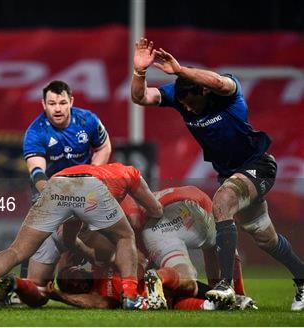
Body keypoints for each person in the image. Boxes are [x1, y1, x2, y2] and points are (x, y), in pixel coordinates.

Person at [130, 37, 304, 310]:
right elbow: (140, 97)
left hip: (258, 166)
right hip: (231, 173)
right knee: (265, 238)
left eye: (192, 103)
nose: (187, 108)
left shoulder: (228, 93)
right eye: (183, 104)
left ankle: (224, 286)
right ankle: (302, 278)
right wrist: (140, 72)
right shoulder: (180, 95)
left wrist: (180, 70)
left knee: (222, 200)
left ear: (204, 92)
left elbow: (218, 81)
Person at [0, 162, 163, 310]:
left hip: (55, 184)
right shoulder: (129, 173)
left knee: (17, 250)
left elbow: (68, 238)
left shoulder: (85, 172)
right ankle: (130, 296)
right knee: (125, 238)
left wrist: (81, 250)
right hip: (90, 188)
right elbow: (156, 210)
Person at [20, 80, 112, 282]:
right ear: (43, 105)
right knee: (36, 235)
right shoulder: (35, 132)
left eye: (62, 103)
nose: (58, 108)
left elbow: (104, 147)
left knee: (105, 228)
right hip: (50, 187)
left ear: (71, 101)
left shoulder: (88, 120)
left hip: (83, 187)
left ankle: (106, 273)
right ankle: (24, 285)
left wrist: (93, 174)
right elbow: (36, 171)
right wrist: (49, 193)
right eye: (52, 104)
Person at [122, 186, 255, 310]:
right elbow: (220, 253)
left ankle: (159, 276)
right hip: (187, 211)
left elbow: (136, 236)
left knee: (180, 280)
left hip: (152, 230)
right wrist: (238, 292)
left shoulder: (137, 208)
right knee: (221, 247)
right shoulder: (204, 199)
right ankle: (230, 297)